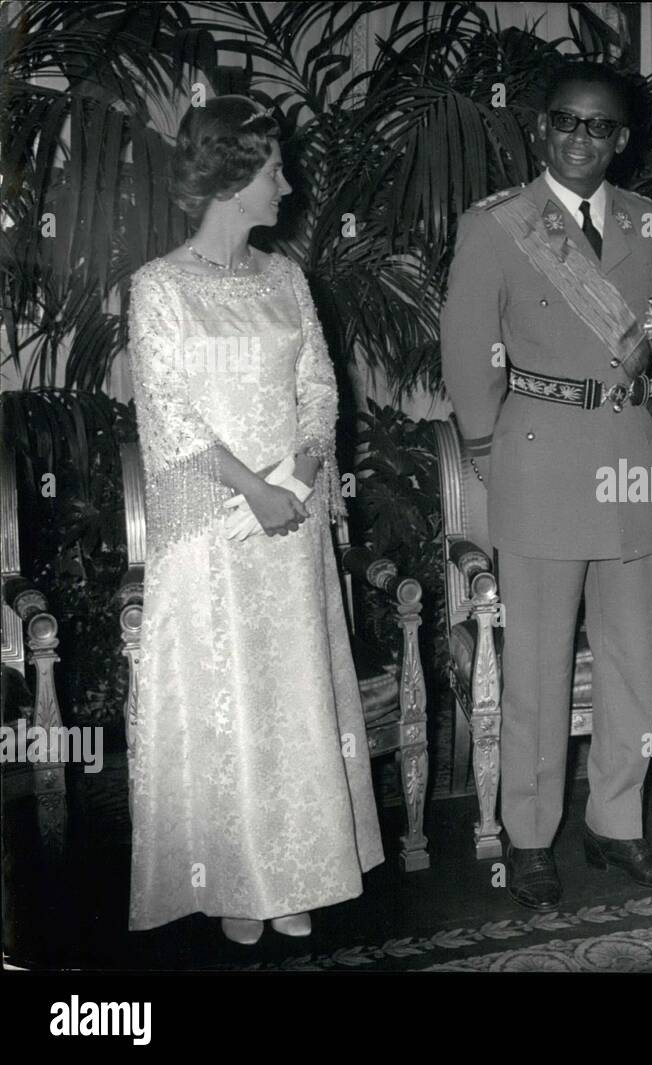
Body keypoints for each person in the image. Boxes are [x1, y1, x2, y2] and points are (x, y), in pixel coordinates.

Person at [126, 96, 383, 944]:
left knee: (290, 696)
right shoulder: (159, 287)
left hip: (292, 518)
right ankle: (234, 876)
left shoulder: (286, 279)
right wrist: (254, 491)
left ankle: (298, 869)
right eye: (274, 168)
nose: (287, 183)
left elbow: (319, 389)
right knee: (227, 700)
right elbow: (167, 411)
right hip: (211, 528)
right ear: (235, 176)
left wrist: (301, 475)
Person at [441, 61, 652, 911]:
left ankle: (616, 822)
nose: (582, 138)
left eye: (601, 126)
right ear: (542, 129)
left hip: (626, 457)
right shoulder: (499, 226)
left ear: (624, 138)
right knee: (538, 669)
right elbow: (469, 350)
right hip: (540, 456)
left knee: (629, 665)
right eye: (566, 122)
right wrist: (486, 447)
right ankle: (533, 834)